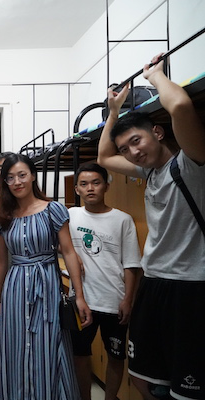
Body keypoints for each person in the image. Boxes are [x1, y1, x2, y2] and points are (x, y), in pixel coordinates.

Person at [97, 54, 205, 400]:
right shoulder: (150, 173)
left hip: (190, 286)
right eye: (126, 148)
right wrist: (113, 112)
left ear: (157, 133)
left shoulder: (190, 165)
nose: (132, 152)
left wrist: (156, 76)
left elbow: (181, 106)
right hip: (154, 281)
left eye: (137, 141)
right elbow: (103, 157)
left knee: (186, 387)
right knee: (143, 377)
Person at [0, 153, 91, 400]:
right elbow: (1, 260)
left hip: (47, 284)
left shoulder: (52, 209)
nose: (17, 182)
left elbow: (69, 252)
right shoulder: (4, 215)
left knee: (48, 342)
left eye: (22, 175)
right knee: (15, 344)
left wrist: (79, 296)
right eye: (10, 178)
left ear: (33, 176)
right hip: (15, 286)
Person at [68, 162, 142, 400]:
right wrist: (71, 254)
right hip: (81, 301)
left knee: (116, 356)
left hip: (114, 300)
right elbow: (57, 244)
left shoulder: (122, 220)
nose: (90, 188)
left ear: (106, 186)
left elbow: (131, 264)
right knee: (79, 356)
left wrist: (128, 300)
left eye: (96, 183)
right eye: (84, 184)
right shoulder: (70, 215)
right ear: (77, 189)